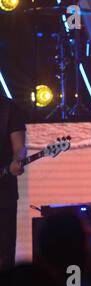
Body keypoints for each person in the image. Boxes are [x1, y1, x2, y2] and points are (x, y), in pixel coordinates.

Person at [0, 95, 26, 271]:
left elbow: (19, 148)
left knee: (5, 252)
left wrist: (18, 160)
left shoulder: (7, 108)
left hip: (3, 192)